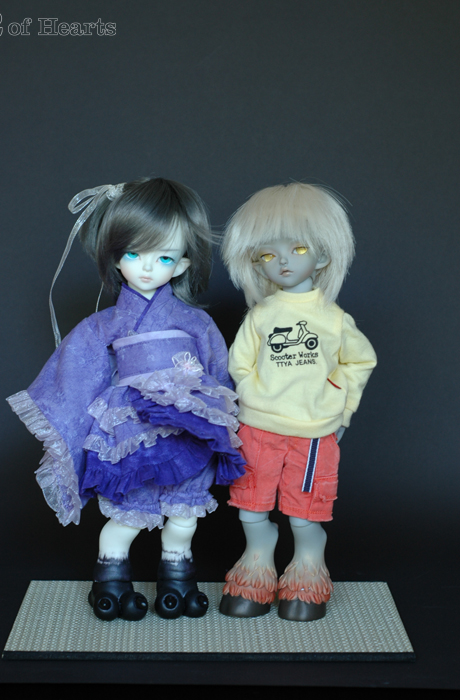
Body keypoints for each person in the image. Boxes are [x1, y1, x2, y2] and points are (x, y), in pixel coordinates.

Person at [7, 177, 245, 621]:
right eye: (134, 254)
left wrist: (224, 421)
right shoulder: (107, 324)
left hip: (189, 430)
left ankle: (178, 579)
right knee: (127, 514)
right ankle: (112, 580)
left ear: (182, 263)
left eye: (164, 257)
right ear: (115, 257)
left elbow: (220, 373)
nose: (148, 268)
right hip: (132, 428)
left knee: (185, 514)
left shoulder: (195, 323)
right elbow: (77, 371)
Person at [219, 182, 377, 621]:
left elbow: (360, 360)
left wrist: (341, 409)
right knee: (250, 507)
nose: (283, 261)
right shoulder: (261, 315)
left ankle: (308, 568)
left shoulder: (333, 318)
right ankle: (256, 565)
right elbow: (238, 364)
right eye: (267, 254)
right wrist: (252, 398)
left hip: (311, 435)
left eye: (298, 248)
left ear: (323, 257)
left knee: (304, 514)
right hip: (257, 430)